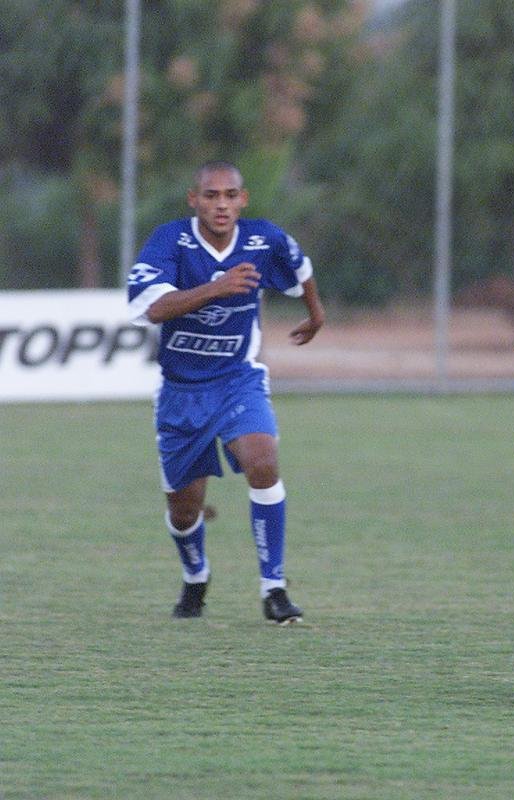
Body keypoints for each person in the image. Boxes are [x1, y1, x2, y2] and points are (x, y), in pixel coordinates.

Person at [126, 160, 326, 623]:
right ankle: (196, 577)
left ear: (243, 199)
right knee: (183, 508)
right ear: (193, 200)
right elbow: (153, 308)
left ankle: (274, 588)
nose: (221, 204)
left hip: (238, 379)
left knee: (263, 459)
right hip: (181, 392)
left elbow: (301, 268)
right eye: (211, 195)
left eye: (230, 195)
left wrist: (316, 314)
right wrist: (216, 288)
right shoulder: (169, 241)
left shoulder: (263, 239)